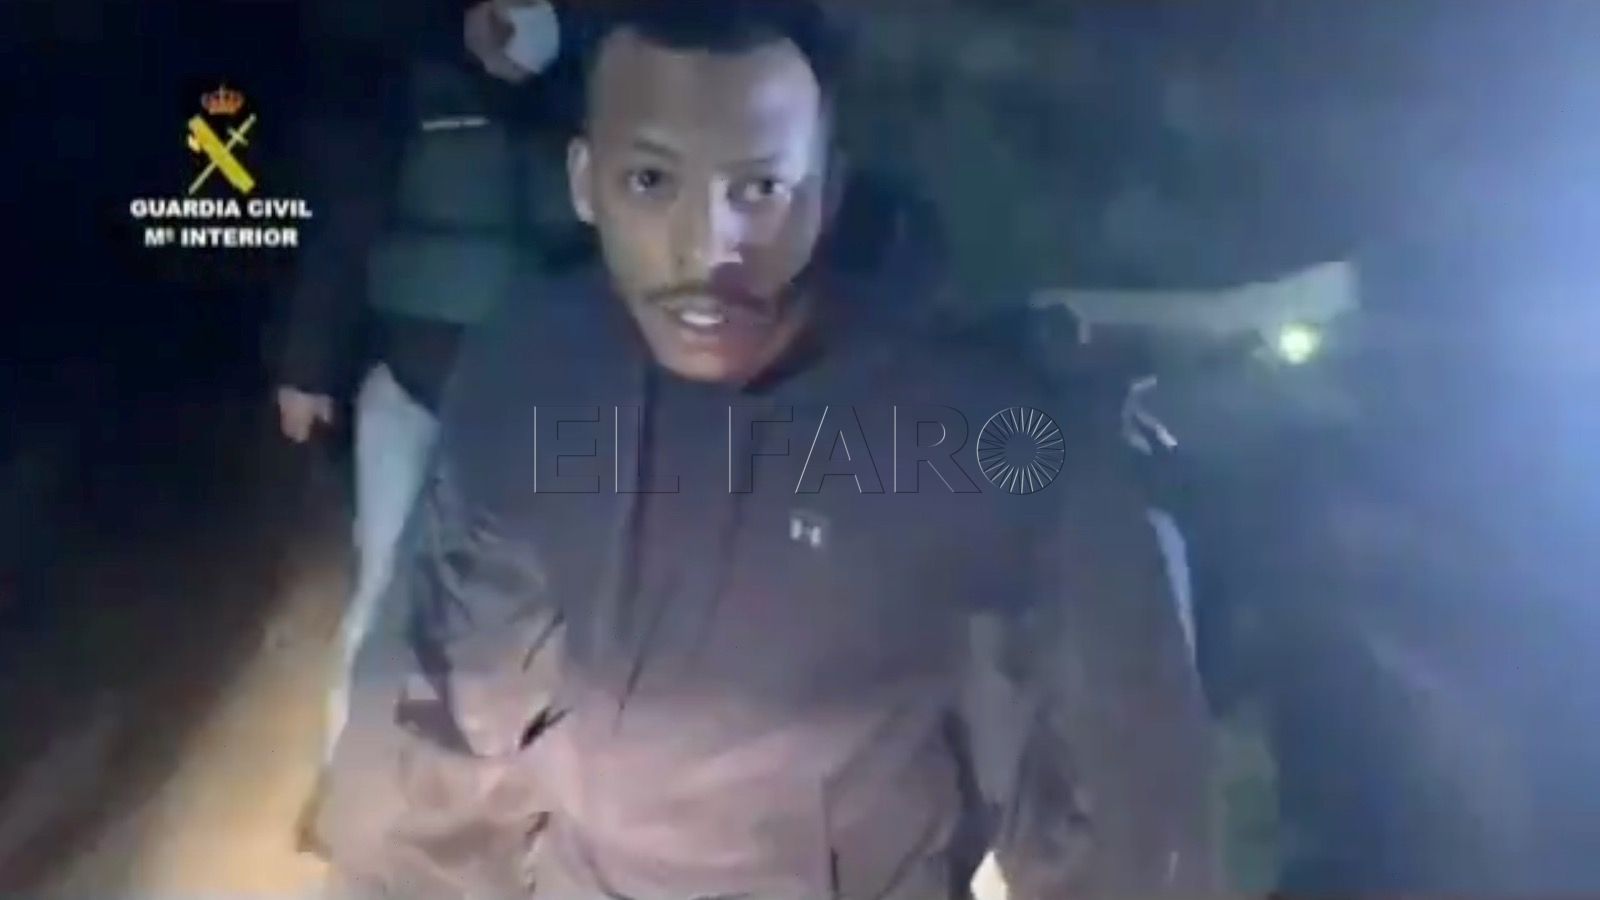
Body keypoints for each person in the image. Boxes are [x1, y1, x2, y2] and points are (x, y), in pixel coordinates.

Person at [318, 2, 1217, 896]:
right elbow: (429, 729)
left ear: (827, 191)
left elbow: (1113, 826)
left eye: (759, 191)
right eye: (651, 182)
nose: (707, 250)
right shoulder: (532, 374)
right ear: (585, 182)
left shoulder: (977, 430)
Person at [274, 0, 588, 762]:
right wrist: (307, 366)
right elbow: (346, 227)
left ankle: (521, 767)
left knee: (539, 591)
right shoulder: (411, 83)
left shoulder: (590, 90)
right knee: (386, 578)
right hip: (412, 382)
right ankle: (349, 764)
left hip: (535, 397)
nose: (509, 26)